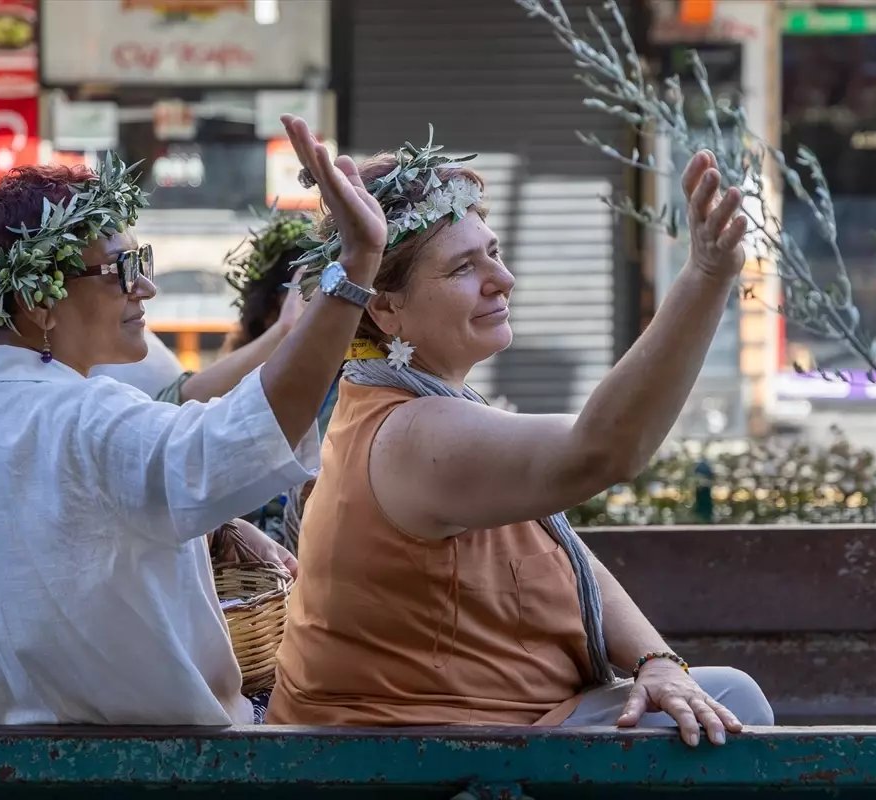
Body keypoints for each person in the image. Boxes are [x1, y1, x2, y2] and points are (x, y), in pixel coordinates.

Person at [266, 139, 774, 746]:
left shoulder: (410, 407)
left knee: (722, 697)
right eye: (463, 268)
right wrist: (706, 276)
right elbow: (602, 448)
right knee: (732, 705)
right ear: (385, 308)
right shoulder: (411, 434)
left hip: (488, 742)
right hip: (431, 764)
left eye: (495, 253)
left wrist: (655, 661)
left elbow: (564, 554)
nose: (501, 279)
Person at [0, 117, 387, 725]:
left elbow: (72, 540)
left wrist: (218, 525)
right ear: (39, 301)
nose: (146, 288)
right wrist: (356, 268)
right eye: (124, 270)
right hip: (136, 771)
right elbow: (245, 435)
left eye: (143, 262)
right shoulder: (80, 417)